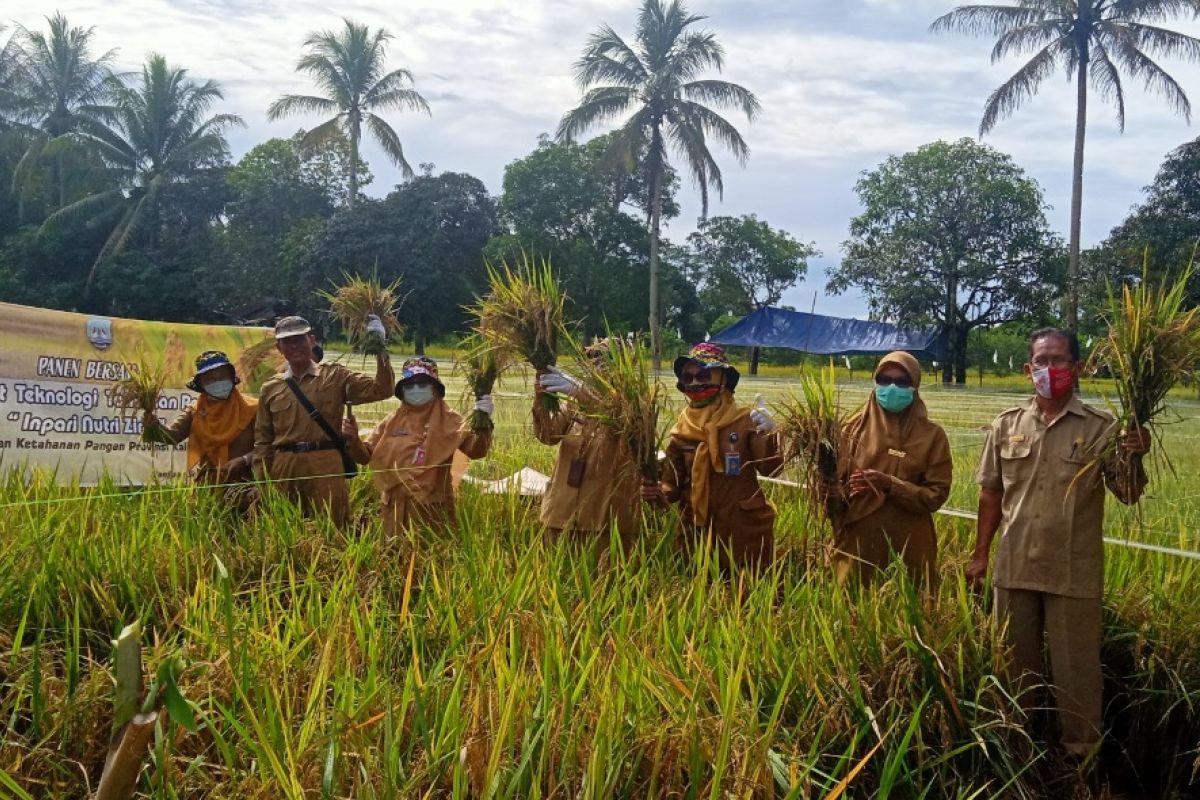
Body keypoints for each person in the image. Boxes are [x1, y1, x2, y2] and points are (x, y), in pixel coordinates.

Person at [968, 327, 1150, 757]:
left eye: (1060, 360)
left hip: (1073, 571)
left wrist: (1135, 455)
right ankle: (1014, 748)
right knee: (1013, 668)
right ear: (1029, 369)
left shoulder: (1103, 429)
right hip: (1014, 568)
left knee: (1078, 674)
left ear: (1078, 367)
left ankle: (1080, 759)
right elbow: (990, 494)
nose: (1051, 369)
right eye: (1043, 362)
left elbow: (1126, 493)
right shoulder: (1007, 425)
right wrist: (979, 556)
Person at [644, 343, 782, 572]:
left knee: (747, 595)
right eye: (689, 377)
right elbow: (673, 484)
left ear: (723, 379)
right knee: (699, 595)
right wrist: (657, 491)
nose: (696, 382)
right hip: (695, 529)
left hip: (742, 526)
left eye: (704, 375)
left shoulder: (746, 420)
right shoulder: (681, 431)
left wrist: (769, 433)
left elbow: (771, 469)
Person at [254, 315, 395, 529]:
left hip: (325, 464)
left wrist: (379, 346)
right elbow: (263, 441)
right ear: (279, 347)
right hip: (285, 466)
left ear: (311, 340)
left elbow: (381, 389)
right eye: (287, 342)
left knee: (333, 527)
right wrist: (262, 481)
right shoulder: (271, 388)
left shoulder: (335, 375)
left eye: (299, 339)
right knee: (286, 530)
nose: (294, 346)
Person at [828, 351, 952, 588]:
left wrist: (892, 485)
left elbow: (936, 495)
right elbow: (835, 496)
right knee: (853, 611)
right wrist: (827, 487)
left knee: (910, 613)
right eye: (884, 380)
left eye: (901, 382)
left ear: (915, 386)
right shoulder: (850, 430)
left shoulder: (932, 436)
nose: (892, 388)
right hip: (858, 542)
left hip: (911, 543)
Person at [342, 356, 493, 536]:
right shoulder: (392, 421)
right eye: (409, 385)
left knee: (431, 558)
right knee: (393, 556)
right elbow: (365, 456)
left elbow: (476, 451)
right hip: (394, 509)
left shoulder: (452, 421)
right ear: (402, 390)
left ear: (435, 388)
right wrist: (352, 439)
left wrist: (483, 424)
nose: (415, 389)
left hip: (431, 510)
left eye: (422, 383)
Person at [533, 340, 642, 553]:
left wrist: (582, 392)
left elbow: (627, 427)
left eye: (607, 358)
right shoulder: (575, 404)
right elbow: (548, 436)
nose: (598, 364)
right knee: (556, 579)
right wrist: (542, 400)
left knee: (604, 582)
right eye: (594, 358)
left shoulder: (635, 402)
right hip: (560, 512)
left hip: (604, 519)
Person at [143, 350, 259, 510]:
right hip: (210, 487)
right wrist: (153, 426)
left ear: (231, 378)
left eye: (222, 376)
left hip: (246, 485)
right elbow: (171, 437)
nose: (217, 382)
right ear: (202, 385)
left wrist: (244, 460)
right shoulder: (194, 412)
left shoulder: (253, 409)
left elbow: (267, 446)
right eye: (210, 379)